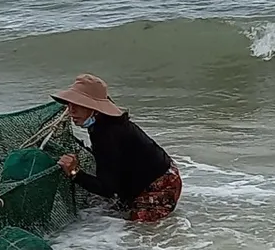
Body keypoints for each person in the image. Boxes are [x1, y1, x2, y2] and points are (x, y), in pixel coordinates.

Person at [53, 74, 181, 223]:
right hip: (163, 172)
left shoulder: (106, 133)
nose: (70, 111)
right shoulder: (102, 124)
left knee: (137, 232)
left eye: (78, 104)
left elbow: (108, 189)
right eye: (69, 104)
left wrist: (75, 173)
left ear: (94, 108)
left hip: (161, 186)